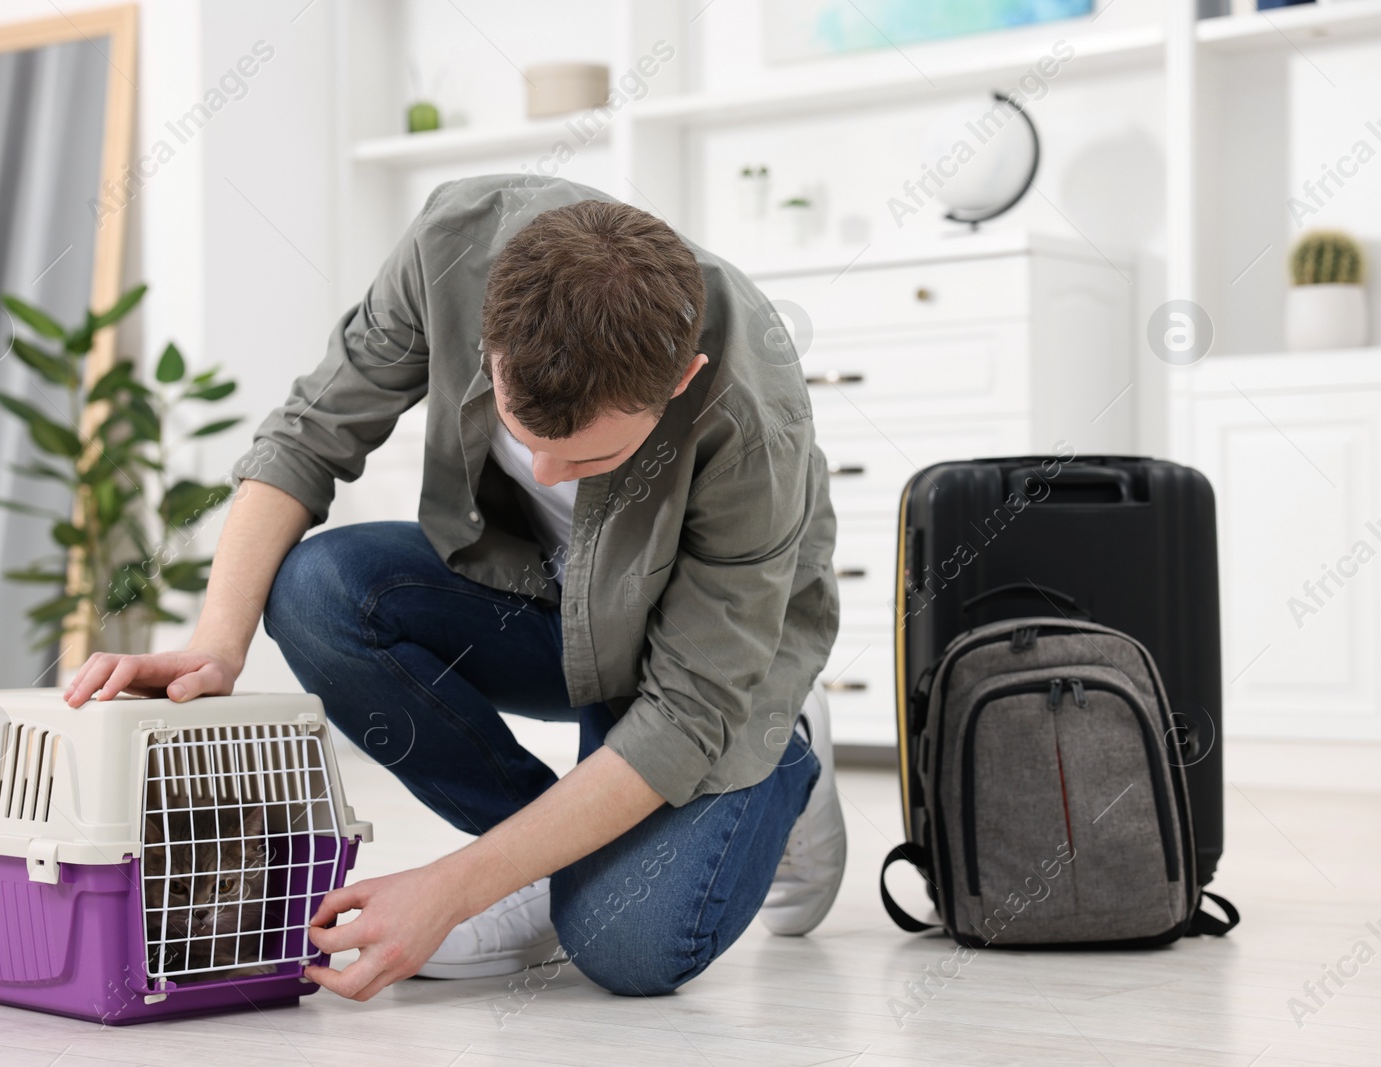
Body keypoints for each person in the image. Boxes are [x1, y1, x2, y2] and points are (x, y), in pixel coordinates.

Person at [63, 175, 846, 1000]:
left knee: (625, 945)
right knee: (320, 591)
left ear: (679, 380)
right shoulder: (453, 250)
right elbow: (306, 437)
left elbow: (685, 714)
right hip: (546, 599)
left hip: (712, 667)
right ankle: (540, 857)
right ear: (488, 338)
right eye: (521, 431)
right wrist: (215, 647)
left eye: (589, 461)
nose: (547, 475)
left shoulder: (753, 415)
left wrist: (448, 887)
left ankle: (791, 743)